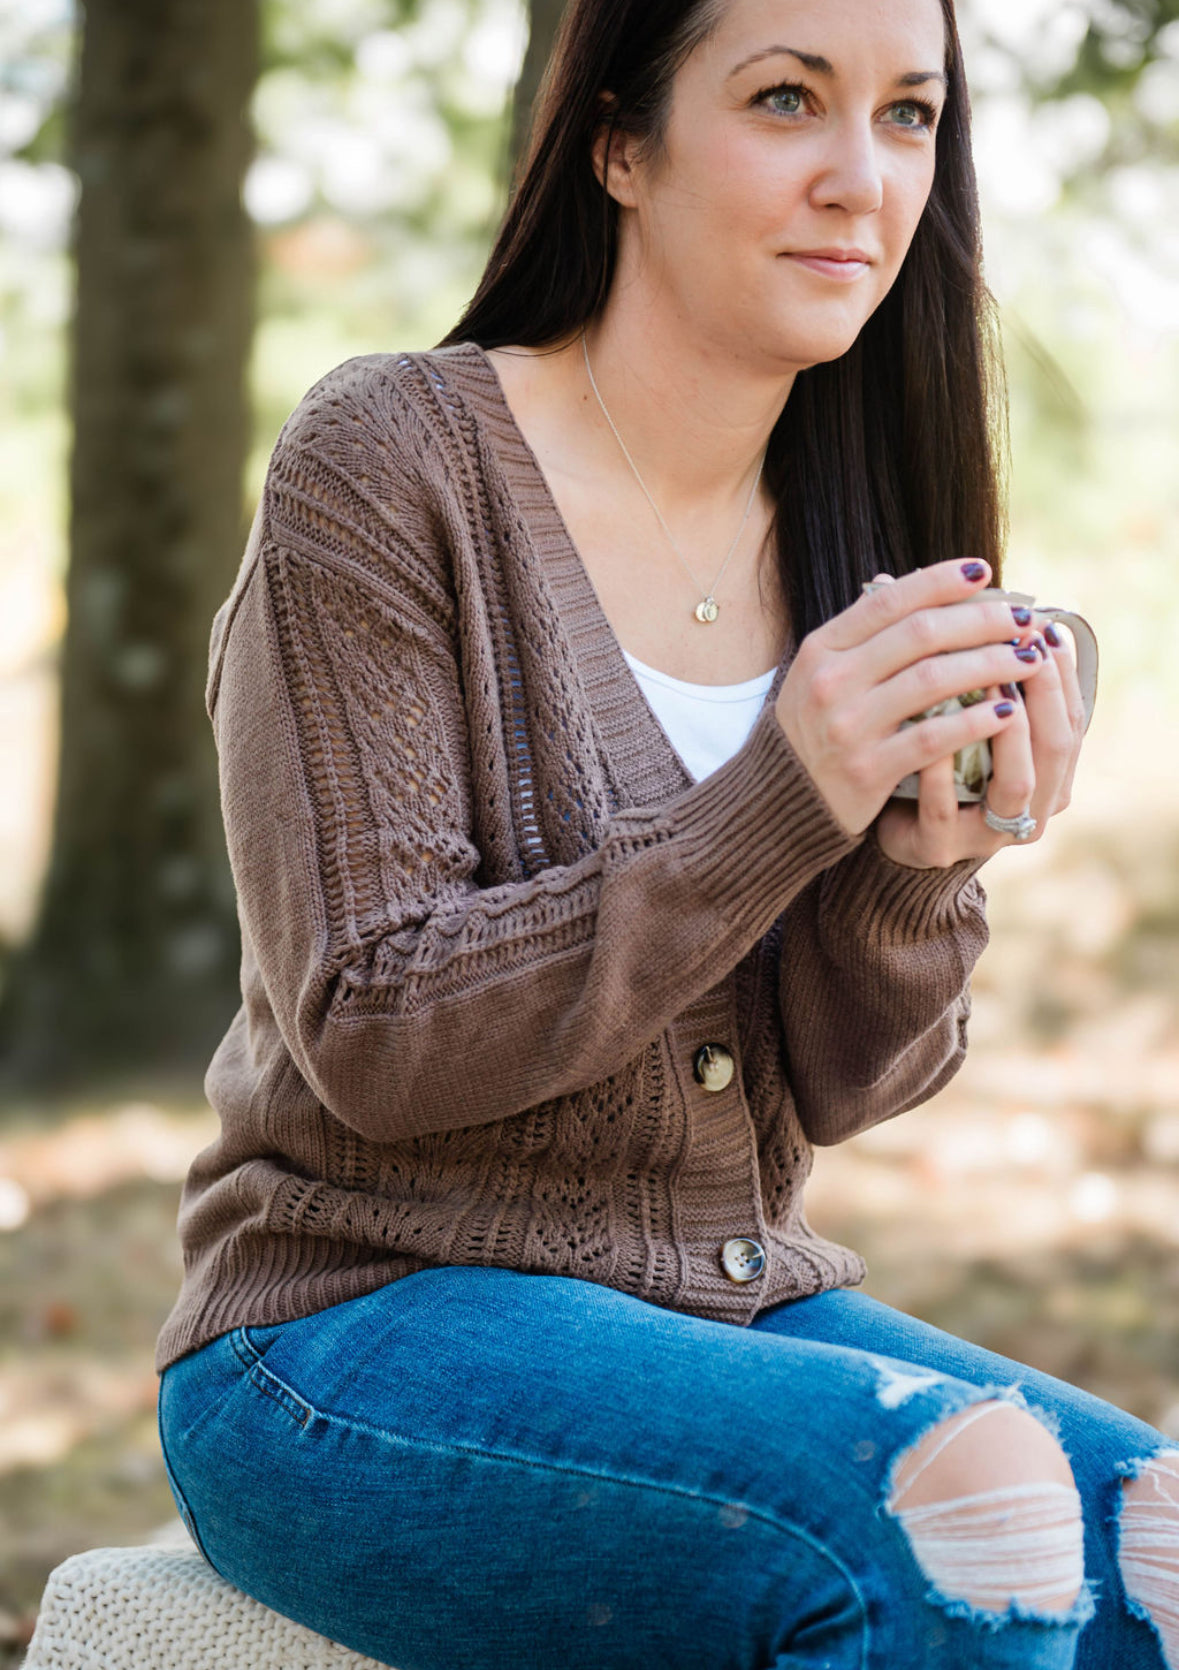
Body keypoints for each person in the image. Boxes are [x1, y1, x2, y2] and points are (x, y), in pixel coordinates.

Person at [154, 0, 1179, 1664]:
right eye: (789, 100)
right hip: (344, 1330)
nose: (862, 177)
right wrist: (785, 792)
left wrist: (920, 870)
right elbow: (377, 1032)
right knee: (959, 1509)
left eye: (909, 116)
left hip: (718, 1295)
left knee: (1167, 1541)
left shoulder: (864, 531)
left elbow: (842, 1087)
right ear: (619, 144)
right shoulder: (394, 461)